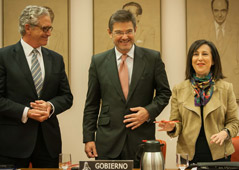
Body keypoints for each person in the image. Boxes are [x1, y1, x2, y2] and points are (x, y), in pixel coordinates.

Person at [83, 10, 171, 168]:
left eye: (129, 31)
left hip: (140, 139)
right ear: (110, 33)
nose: (125, 37)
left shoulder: (152, 58)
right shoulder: (98, 61)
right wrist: (88, 137)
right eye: (118, 32)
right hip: (107, 142)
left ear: (135, 30)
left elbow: (164, 93)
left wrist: (148, 112)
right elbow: (92, 103)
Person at [0, 5, 73, 168]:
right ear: (28, 28)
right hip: (12, 145)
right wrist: (26, 112)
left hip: (48, 144)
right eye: (45, 28)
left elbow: (67, 97)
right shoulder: (3, 57)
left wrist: (50, 106)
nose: (49, 33)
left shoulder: (56, 59)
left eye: (50, 28)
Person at [157, 39, 239, 164]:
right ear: (191, 60)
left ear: (213, 61)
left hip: (219, 154)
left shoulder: (226, 88)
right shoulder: (179, 89)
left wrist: (225, 133)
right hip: (187, 155)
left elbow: (234, 122)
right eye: (195, 54)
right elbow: (177, 121)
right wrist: (172, 126)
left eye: (205, 54)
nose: (199, 58)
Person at [191, 0, 239, 99]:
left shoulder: (237, 30)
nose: (220, 15)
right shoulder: (179, 90)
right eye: (216, 10)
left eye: (223, 10)